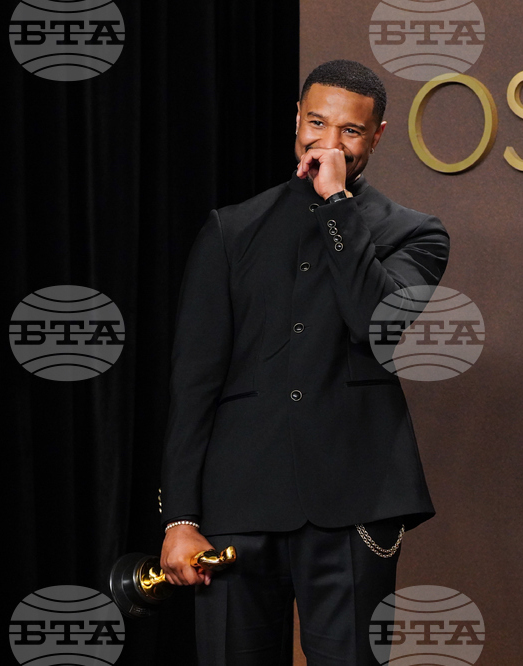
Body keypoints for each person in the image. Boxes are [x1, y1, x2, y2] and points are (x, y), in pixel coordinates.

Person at [158, 59, 450, 665]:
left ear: (376, 137)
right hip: (238, 507)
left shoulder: (416, 234)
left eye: (349, 130)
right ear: (297, 119)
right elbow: (194, 382)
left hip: (354, 502)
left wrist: (336, 205)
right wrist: (180, 516)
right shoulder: (230, 230)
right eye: (316, 122)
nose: (328, 141)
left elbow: (378, 323)